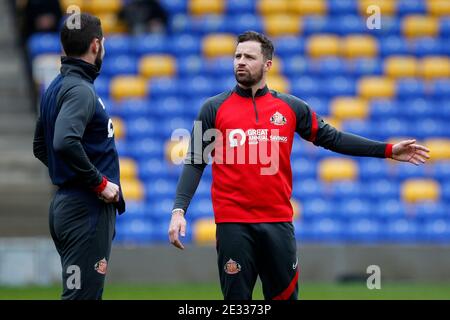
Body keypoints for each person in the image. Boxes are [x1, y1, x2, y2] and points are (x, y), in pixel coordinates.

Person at [168, 31, 430, 300]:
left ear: (267, 64)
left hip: (278, 224)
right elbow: (195, 161)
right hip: (233, 224)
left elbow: (334, 139)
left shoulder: (290, 108)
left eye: (249, 56)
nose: (240, 62)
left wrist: (387, 150)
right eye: (237, 56)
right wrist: (179, 210)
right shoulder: (213, 108)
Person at [33, 13, 125, 300]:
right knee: (81, 297)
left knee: (79, 294)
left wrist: (70, 173)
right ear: (96, 45)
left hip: (68, 206)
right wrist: (98, 183)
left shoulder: (55, 88)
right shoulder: (80, 91)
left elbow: (40, 146)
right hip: (85, 210)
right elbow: (63, 141)